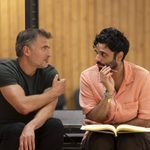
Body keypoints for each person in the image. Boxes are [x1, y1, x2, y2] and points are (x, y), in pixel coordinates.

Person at [79, 27, 150, 150]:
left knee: (130, 142)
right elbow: (93, 117)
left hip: (134, 134)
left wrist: (116, 127)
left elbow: (144, 119)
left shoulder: (143, 76)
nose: (97, 58)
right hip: (99, 135)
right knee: (101, 142)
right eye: (97, 52)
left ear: (119, 56)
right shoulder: (87, 76)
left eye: (103, 54)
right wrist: (109, 93)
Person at [0, 28, 66, 150]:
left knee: (54, 125)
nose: (49, 54)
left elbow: (49, 110)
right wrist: (54, 93)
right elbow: (23, 106)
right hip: (6, 131)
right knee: (17, 129)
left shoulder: (50, 72)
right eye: (44, 48)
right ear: (27, 50)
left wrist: (31, 126)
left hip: (33, 127)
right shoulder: (5, 70)